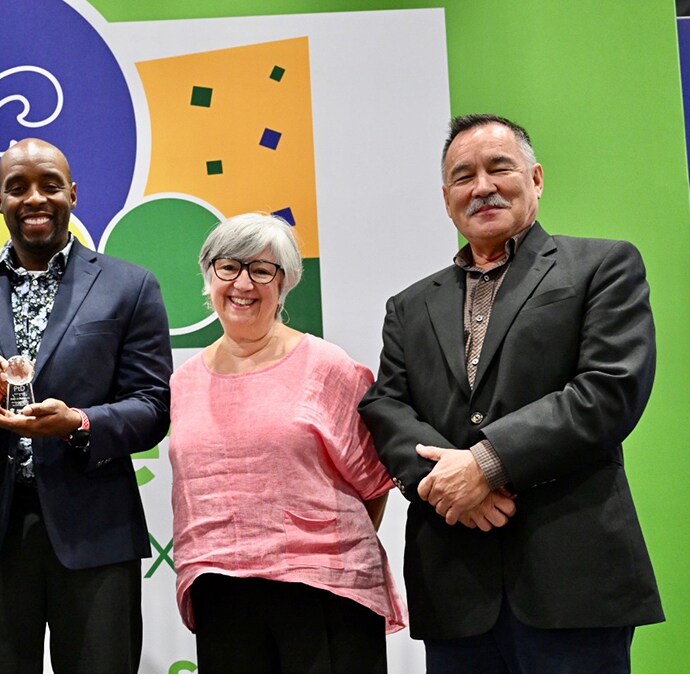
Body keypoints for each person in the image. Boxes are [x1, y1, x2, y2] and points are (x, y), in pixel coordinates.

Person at [359, 114, 663, 673]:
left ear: (537, 178)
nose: (482, 186)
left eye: (499, 167)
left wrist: (487, 463)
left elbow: (607, 390)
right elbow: (386, 405)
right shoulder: (408, 306)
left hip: (571, 575)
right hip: (454, 582)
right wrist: (445, 483)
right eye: (463, 176)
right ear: (447, 197)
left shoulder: (602, 265)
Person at [0, 138, 172, 673]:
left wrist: (78, 423)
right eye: (18, 187)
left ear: (72, 194)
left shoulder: (131, 286)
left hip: (97, 531)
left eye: (50, 184)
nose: (35, 198)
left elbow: (153, 406)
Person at [168, 213, 406, 673]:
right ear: (208, 274)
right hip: (220, 592)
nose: (243, 283)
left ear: (285, 283)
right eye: (228, 267)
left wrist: (314, 551)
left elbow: (374, 483)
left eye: (262, 270)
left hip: (323, 592)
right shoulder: (184, 381)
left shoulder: (327, 366)